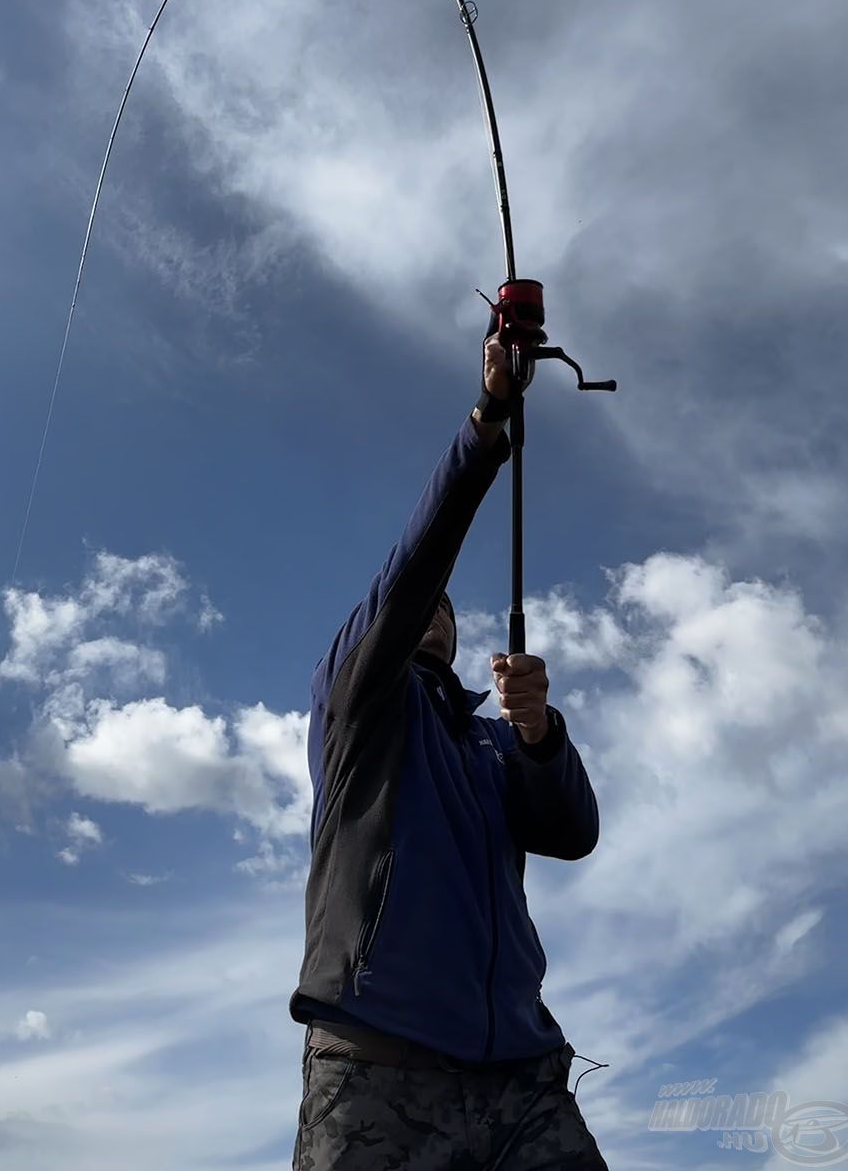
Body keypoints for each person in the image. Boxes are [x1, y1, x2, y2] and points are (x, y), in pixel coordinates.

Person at [289, 332, 608, 1170]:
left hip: (522, 1078)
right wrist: (489, 422)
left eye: (447, 610)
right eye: (421, 602)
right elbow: (413, 565)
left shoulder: (494, 743)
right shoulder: (359, 700)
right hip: (376, 1066)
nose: (434, 610)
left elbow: (572, 832)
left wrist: (540, 733)